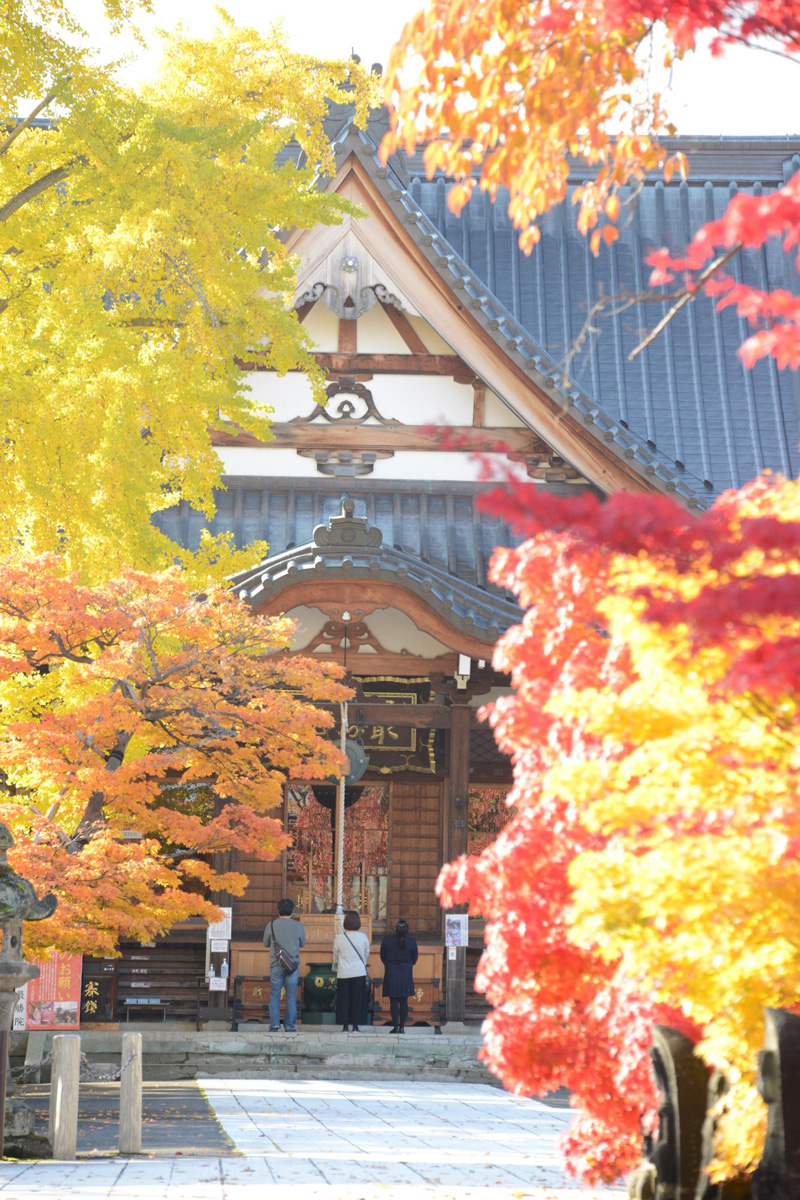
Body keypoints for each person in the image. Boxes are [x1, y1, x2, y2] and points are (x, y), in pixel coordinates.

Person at [263, 898, 305, 1032]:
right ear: (292, 911)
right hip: (292, 965)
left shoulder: (271, 925)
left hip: (276, 963)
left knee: (275, 994)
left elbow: (266, 943)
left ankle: (275, 1024)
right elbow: (302, 943)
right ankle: (289, 1026)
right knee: (291, 996)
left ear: (278, 910)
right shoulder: (299, 926)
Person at [332, 910, 370, 1032]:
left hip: (343, 972)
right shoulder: (363, 937)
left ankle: (344, 1026)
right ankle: (356, 1025)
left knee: (344, 999)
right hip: (358, 972)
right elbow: (366, 953)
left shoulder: (339, 938)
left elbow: (335, 955)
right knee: (357, 999)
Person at [380, 919, 418, 1033]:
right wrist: (407, 964)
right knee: (404, 1001)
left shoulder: (387, 940)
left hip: (391, 972)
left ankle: (395, 1026)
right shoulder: (412, 941)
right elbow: (414, 958)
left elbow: (383, 956)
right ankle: (402, 1027)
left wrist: (389, 964)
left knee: (394, 1001)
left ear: (395, 929)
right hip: (406, 972)